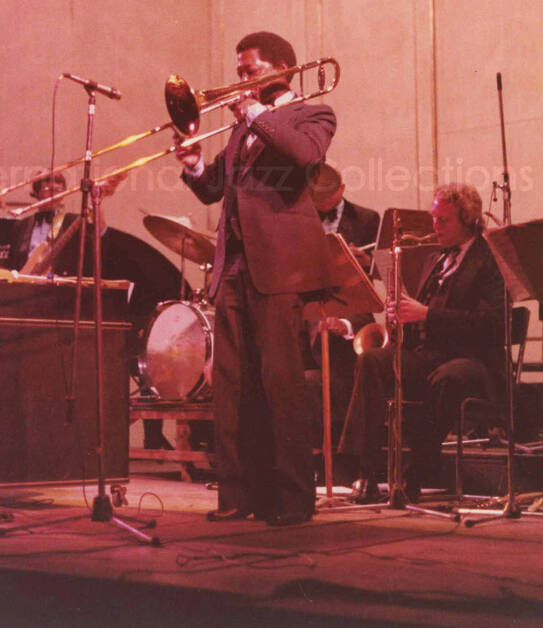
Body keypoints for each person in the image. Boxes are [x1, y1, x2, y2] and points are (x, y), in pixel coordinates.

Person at [176, 31, 338, 525]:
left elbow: (303, 155)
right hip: (235, 269)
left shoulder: (312, 114)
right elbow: (217, 189)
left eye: (249, 70)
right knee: (232, 387)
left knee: (281, 386)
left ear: (282, 69)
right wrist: (196, 165)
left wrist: (252, 114)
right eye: (240, 71)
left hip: (281, 268)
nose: (239, 80)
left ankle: (291, 502)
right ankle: (238, 497)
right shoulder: (242, 128)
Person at [337, 182, 505, 503]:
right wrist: (400, 315)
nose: (434, 227)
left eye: (443, 221)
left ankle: (415, 470)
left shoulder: (490, 260)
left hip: (474, 360)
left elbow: (492, 326)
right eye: (434, 219)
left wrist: (426, 314)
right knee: (372, 360)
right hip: (430, 355)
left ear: (468, 221)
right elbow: (421, 317)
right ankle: (363, 470)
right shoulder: (435, 259)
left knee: (448, 377)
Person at [303, 164, 380, 447]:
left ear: (342, 190)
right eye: (315, 201)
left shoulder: (367, 219)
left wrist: (366, 262)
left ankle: (344, 445)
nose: (321, 206)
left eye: (326, 200)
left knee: (338, 339)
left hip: (352, 302)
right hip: (311, 301)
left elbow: (379, 269)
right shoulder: (299, 219)